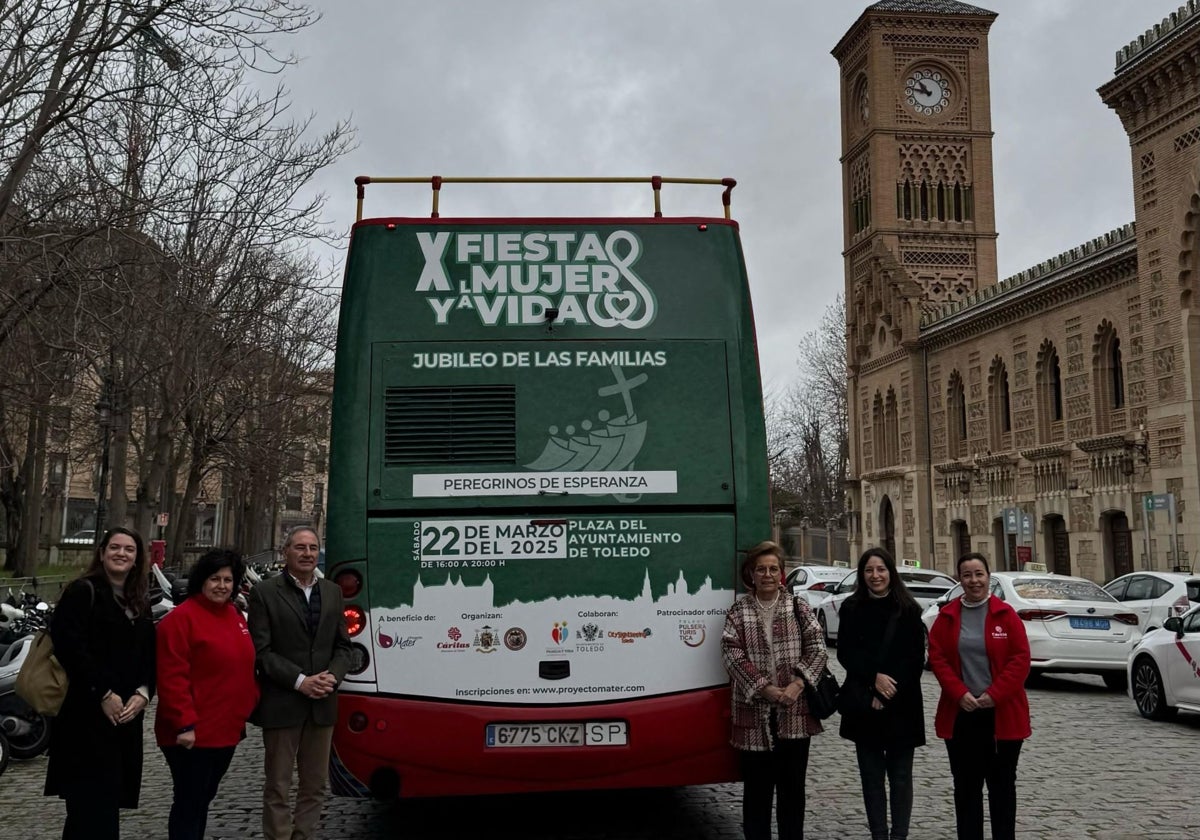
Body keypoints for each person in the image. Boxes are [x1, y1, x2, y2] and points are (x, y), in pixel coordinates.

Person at [44, 527, 156, 840]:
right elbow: (69, 647)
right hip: (85, 719)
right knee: (88, 810)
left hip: (125, 721)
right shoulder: (83, 591)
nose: (122, 554)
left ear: (137, 558)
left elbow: (149, 656)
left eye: (129, 550)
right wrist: (103, 693)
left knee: (104, 810)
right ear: (103, 552)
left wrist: (144, 693)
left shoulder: (139, 598)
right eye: (115, 548)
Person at [248, 526, 353, 840]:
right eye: (300, 547)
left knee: (314, 784)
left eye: (312, 547)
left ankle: (303, 835)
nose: (307, 554)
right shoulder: (265, 593)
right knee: (278, 785)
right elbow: (262, 651)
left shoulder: (333, 592)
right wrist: (300, 681)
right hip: (283, 703)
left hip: (322, 703)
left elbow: (344, 646)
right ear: (286, 553)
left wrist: (332, 676)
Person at [721, 540, 828, 840]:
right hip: (752, 715)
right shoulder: (738, 612)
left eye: (773, 569)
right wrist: (763, 688)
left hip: (795, 714)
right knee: (757, 794)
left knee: (792, 792)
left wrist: (797, 684)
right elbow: (732, 654)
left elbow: (818, 650)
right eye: (761, 569)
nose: (767, 575)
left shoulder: (798, 607)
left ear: (781, 574)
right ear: (751, 574)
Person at [155, 548, 259, 840]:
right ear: (202, 580)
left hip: (225, 729)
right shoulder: (180, 620)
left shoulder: (234, 615)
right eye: (215, 579)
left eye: (228, 580)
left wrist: (250, 701)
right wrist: (184, 723)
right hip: (192, 734)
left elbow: (243, 664)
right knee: (190, 803)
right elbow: (172, 677)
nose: (222, 586)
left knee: (203, 801)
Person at [928, 552, 1031, 840]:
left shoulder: (1006, 615)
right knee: (966, 787)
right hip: (962, 714)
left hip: (1001, 715)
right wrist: (959, 693)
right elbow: (938, 658)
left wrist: (994, 695)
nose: (974, 581)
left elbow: (1020, 659)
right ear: (959, 579)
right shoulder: (947, 617)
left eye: (979, 574)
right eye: (967, 575)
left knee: (1001, 787)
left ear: (988, 577)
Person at [836, 547, 926, 840]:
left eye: (881, 569)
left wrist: (887, 692)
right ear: (862, 575)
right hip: (864, 703)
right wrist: (873, 680)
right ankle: (878, 834)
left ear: (890, 572)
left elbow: (914, 659)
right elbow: (847, 653)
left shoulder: (909, 609)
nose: (876, 576)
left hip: (902, 704)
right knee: (871, 778)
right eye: (869, 570)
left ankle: (899, 835)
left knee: (901, 778)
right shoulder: (851, 607)